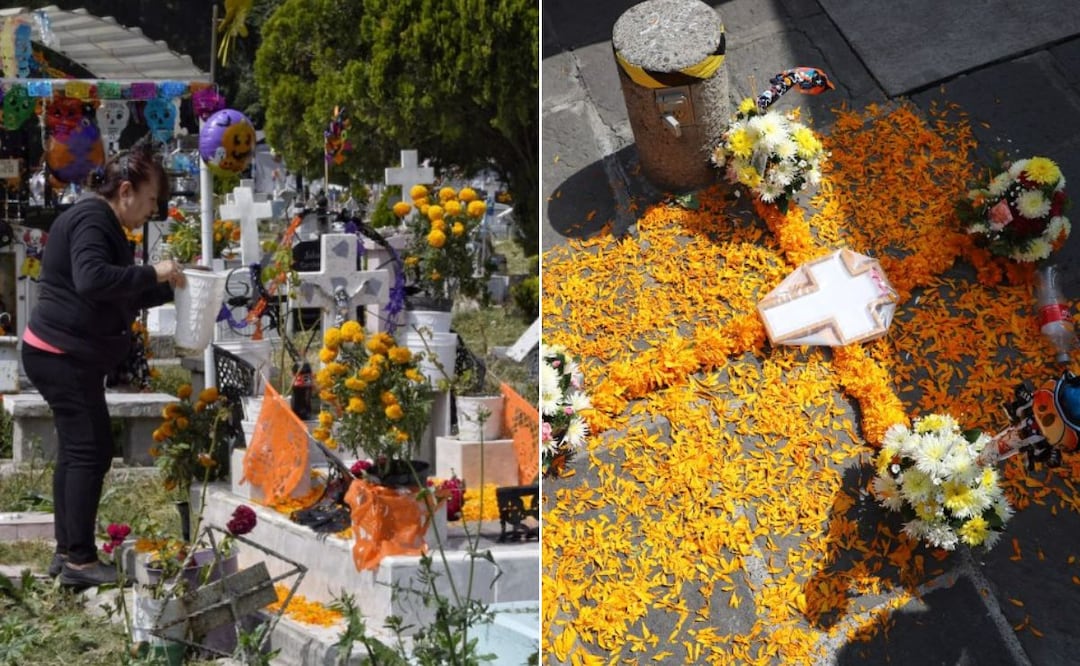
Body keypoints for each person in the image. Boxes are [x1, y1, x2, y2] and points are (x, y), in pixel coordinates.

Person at [20, 140, 187, 588]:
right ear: (127, 190)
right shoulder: (94, 218)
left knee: (79, 453)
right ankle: (79, 560)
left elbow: (120, 291)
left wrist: (177, 286)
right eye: (151, 200)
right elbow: (94, 281)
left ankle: (65, 552)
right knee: (90, 451)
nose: (152, 210)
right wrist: (155, 271)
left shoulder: (102, 222)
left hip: (64, 353)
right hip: (62, 355)